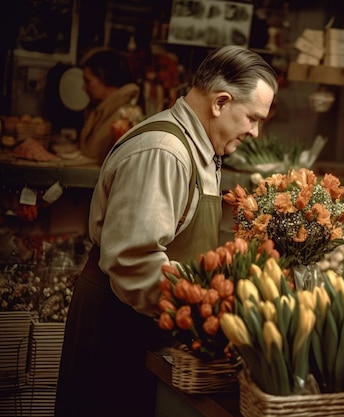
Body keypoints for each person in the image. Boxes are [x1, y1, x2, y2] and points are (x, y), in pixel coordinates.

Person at [54, 45, 279, 417]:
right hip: (118, 326)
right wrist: (208, 313)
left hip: (149, 321)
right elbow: (133, 260)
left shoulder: (201, 146)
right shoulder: (165, 150)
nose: (255, 131)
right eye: (253, 118)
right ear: (221, 102)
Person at [79, 47, 143, 164]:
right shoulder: (99, 110)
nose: (83, 88)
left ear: (105, 78)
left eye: (88, 81)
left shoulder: (128, 116)